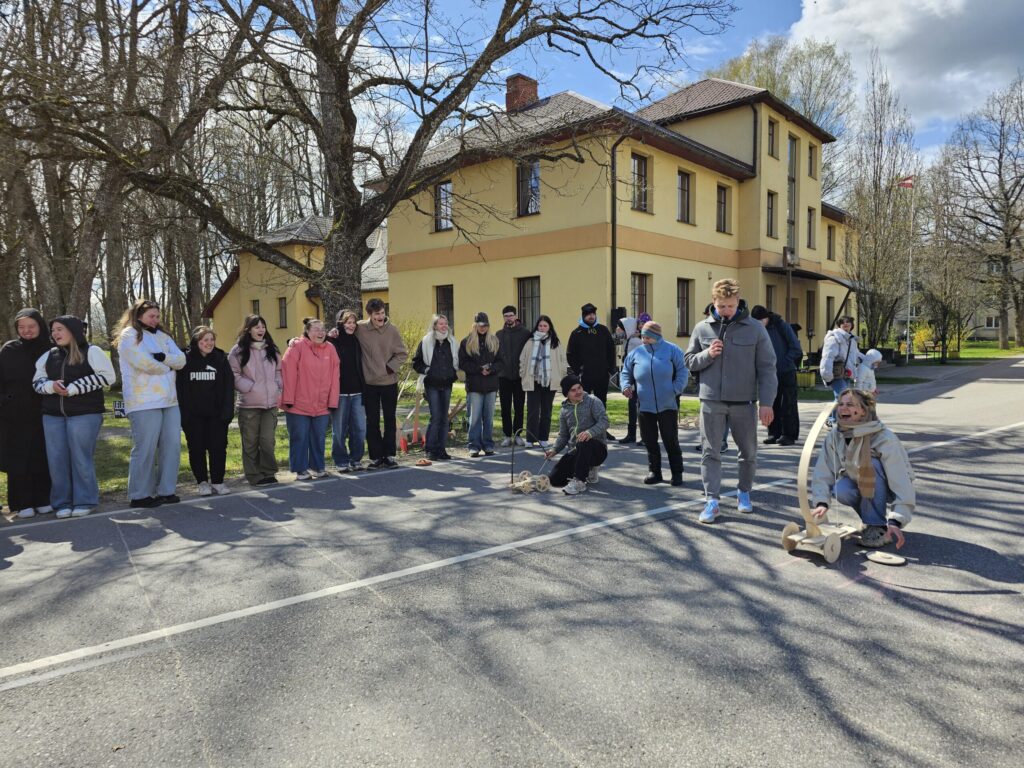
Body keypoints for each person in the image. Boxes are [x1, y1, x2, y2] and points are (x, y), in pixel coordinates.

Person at [685, 279, 777, 524]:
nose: (726, 311)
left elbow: (767, 368)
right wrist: (707, 354)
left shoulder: (755, 328)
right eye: (721, 306)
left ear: (738, 302)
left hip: (743, 401)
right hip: (711, 400)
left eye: (730, 306)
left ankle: (744, 492)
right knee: (710, 452)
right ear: (713, 302)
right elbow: (689, 360)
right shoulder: (702, 328)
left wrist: (766, 403)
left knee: (748, 452)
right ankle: (712, 501)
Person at [33, 315, 116, 518]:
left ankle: (85, 501)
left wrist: (74, 388)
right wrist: (51, 386)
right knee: (57, 460)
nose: (55, 333)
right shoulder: (48, 355)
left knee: (81, 458)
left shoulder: (92, 351)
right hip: (53, 416)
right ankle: (62, 503)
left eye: (60, 329)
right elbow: (37, 382)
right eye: (53, 330)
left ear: (73, 330)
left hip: (85, 414)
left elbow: (108, 376)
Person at [811, 389, 913, 549]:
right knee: (841, 489)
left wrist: (896, 520)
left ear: (864, 411)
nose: (843, 408)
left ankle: (877, 525)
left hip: (886, 487)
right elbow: (823, 470)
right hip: (859, 482)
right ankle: (871, 521)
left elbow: (901, 481)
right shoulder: (835, 435)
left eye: (850, 404)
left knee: (872, 464)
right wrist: (821, 502)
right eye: (841, 404)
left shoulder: (884, 438)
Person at [114, 299, 186, 508]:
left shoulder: (163, 336)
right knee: (145, 448)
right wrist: (168, 366)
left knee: (172, 446)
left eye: (157, 316)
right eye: (151, 316)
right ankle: (140, 494)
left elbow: (181, 360)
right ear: (138, 316)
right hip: (143, 400)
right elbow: (144, 363)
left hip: (169, 400)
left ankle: (166, 490)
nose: (155, 320)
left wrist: (164, 358)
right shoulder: (129, 335)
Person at [621, 320, 688, 486]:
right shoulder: (636, 353)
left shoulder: (672, 350)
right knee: (649, 440)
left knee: (670, 440)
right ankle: (655, 472)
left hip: (668, 404)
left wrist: (675, 389)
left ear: (656, 336)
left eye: (647, 337)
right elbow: (625, 372)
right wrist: (626, 386)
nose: (644, 340)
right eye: (643, 337)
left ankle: (677, 472)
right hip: (644, 404)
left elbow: (682, 371)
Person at [0, 308, 53, 518]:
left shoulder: (51, 349)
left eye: (31, 326)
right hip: (14, 414)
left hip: (44, 410)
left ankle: (43, 498)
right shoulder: (9, 349)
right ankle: (22, 503)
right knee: (19, 457)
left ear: (40, 326)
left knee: (42, 455)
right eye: (21, 327)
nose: (26, 330)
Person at [177, 326, 234, 495]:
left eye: (212, 339)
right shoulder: (185, 360)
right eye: (205, 340)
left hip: (217, 415)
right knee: (197, 449)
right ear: (197, 342)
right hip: (193, 416)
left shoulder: (221, 359)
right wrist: (185, 414)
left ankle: (218, 481)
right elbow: (180, 388)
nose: (209, 343)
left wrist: (227, 412)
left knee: (218, 448)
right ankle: (202, 482)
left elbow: (229, 386)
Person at [280, 318, 339, 480]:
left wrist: (333, 400)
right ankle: (300, 469)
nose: (321, 333)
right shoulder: (296, 347)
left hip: (322, 404)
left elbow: (335, 377)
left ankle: (318, 467)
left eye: (323, 329)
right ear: (307, 331)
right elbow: (288, 374)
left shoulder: (330, 349)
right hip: (298, 404)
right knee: (299, 437)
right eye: (316, 329)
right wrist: (288, 399)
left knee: (318, 438)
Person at [228, 315, 282, 486]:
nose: (261, 330)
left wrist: (277, 385)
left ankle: (268, 472)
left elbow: (279, 371)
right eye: (257, 327)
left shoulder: (272, 348)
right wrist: (249, 387)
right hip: (249, 404)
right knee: (250, 442)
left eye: (263, 327)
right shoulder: (238, 351)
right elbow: (233, 374)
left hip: (270, 404)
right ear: (248, 329)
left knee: (267, 441)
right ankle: (254, 475)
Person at [356, 298, 407, 470]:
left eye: (383, 313)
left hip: (389, 382)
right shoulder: (360, 328)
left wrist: (389, 368)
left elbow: (402, 354)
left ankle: (390, 455)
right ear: (369, 314)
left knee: (390, 419)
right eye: (377, 314)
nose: (380, 317)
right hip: (369, 384)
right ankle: (376, 457)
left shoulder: (392, 330)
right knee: (372, 421)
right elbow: (344, 330)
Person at [545, 374, 609, 496]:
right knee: (554, 480)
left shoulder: (593, 401)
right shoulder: (564, 410)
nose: (578, 392)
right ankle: (586, 470)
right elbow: (563, 435)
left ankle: (580, 481)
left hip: (597, 450)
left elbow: (604, 421)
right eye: (573, 390)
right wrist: (554, 450)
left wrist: (590, 432)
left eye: (579, 387)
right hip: (576, 451)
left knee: (583, 441)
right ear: (566, 394)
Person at [751, 305, 803, 446]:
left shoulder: (781, 326)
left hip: (786, 372)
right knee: (772, 402)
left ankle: (789, 435)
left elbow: (796, 348)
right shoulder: (756, 330)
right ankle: (774, 433)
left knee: (788, 403)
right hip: (769, 374)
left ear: (766, 318)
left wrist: (784, 363)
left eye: (760, 321)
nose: (758, 324)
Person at [412, 314, 459, 461]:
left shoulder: (452, 342)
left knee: (444, 418)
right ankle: (430, 449)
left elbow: (457, 361)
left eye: (446, 323)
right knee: (436, 417)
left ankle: (441, 449)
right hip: (432, 384)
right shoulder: (426, 341)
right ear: (434, 326)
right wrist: (427, 370)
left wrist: (453, 374)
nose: (444, 326)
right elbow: (416, 362)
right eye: (441, 324)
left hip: (447, 384)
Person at [567, 302, 617, 437]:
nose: (591, 317)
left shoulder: (603, 330)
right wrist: (578, 370)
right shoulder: (576, 333)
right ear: (583, 316)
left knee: (601, 402)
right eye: (588, 314)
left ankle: (601, 430)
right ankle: (585, 430)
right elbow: (570, 354)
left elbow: (611, 350)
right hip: (585, 376)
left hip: (602, 374)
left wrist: (611, 368)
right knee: (584, 403)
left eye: (593, 314)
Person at [519, 315, 568, 449]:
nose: (542, 328)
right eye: (540, 325)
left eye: (545, 325)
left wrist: (561, 375)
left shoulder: (555, 342)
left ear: (549, 327)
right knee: (532, 411)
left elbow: (563, 360)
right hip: (533, 380)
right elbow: (522, 359)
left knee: (546, 411)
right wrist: (522, 373)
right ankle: (530, 438)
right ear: (537, 327)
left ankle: (543, 437)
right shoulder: (530, 342)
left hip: (550, 381)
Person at [326, 309, 367, 471]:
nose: (352, 325)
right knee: (339, 430)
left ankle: (355, 459)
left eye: (353, 322)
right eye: (348, 322)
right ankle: (341, 461)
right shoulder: (332, 340)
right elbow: (314, 341)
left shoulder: (357, 340)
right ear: (341, 324)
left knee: (360, 429)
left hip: (358, 392)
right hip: (340, 393)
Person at [459, 312, 504, 457]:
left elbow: (501, 362)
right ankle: (474, 445)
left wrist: (491, 368)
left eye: (485, 325)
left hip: (491, 385)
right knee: (475, 418)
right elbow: (463, 363)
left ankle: (488, 445)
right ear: (475, 325)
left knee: (488, 418)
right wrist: (479, 369)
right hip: (474, 385)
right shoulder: (466, 342)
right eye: (480, 325)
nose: (483, 328)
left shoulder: (495, 341)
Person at [496, 305, 530, 447]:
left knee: (519, 407)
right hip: (503, 376)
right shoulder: (498, 335)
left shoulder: (525, 333)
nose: (508, 318)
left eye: (511, 315)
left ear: (516, 316)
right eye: (506, 316)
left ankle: (518, 435)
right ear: (503, 317)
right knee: (505, 408)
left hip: (519, 376)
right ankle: (507, 435)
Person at [614, 312, 650, 444]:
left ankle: (642, 436)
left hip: (638, 377)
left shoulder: (636, 341)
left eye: (621, 328)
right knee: (634, 406)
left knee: (640, 407)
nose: (619, 330)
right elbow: (615, 339)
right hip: (634, 376)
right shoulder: (631, 339)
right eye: (640, 323)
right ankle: (634, 434)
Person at [820, 315, 862, 400]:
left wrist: (870, 359)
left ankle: (836, 409)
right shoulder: (834, 338)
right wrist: (827, 376)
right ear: (839, 325)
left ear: (852, 325)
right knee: (843, 399)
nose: (845, 323)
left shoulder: (852, 340)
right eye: (842, 322)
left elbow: (856, 355)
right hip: (836, 374)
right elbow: (827, 358)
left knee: (842, 399)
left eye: (848, 321)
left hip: (846, 374)